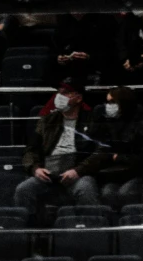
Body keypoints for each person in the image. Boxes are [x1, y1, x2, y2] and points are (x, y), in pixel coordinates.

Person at [16, 79, 98, 211]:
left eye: (65, 93)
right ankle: (31, 230)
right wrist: (35, 168)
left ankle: (91, 228)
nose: (59, 97)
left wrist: (79, 171)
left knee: (85, 189)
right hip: (49, 172)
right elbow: (31, 150)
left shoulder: (92, 121)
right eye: (59, 93)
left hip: (78, 172)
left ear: (78, 98)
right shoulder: (47, 121)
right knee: (23, 189)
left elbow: (100, 153)